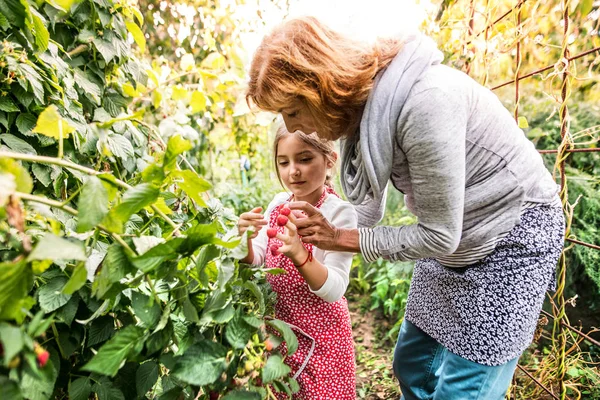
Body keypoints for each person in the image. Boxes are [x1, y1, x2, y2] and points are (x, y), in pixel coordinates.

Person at [246, 16, 565, 400]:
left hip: (511, 236)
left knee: (462, 390)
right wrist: (322, 233)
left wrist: (339, 237)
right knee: (413, 364)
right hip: (453, 234)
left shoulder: (425, 103)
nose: (293, 125)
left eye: (293, 111)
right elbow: (365, 213)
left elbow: (439, 234)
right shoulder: (366, 114)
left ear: (319, 88)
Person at [237, 125, 358, 399]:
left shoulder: (338, 214)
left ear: (329, 160)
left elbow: (335, 288)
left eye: (304, 159)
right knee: (282, 391)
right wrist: (243, 239)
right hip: (280, 332)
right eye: (284, 162)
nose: (293, 170)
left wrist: (301, 255)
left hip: (324, 339)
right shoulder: (278, 204)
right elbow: (256, 260)